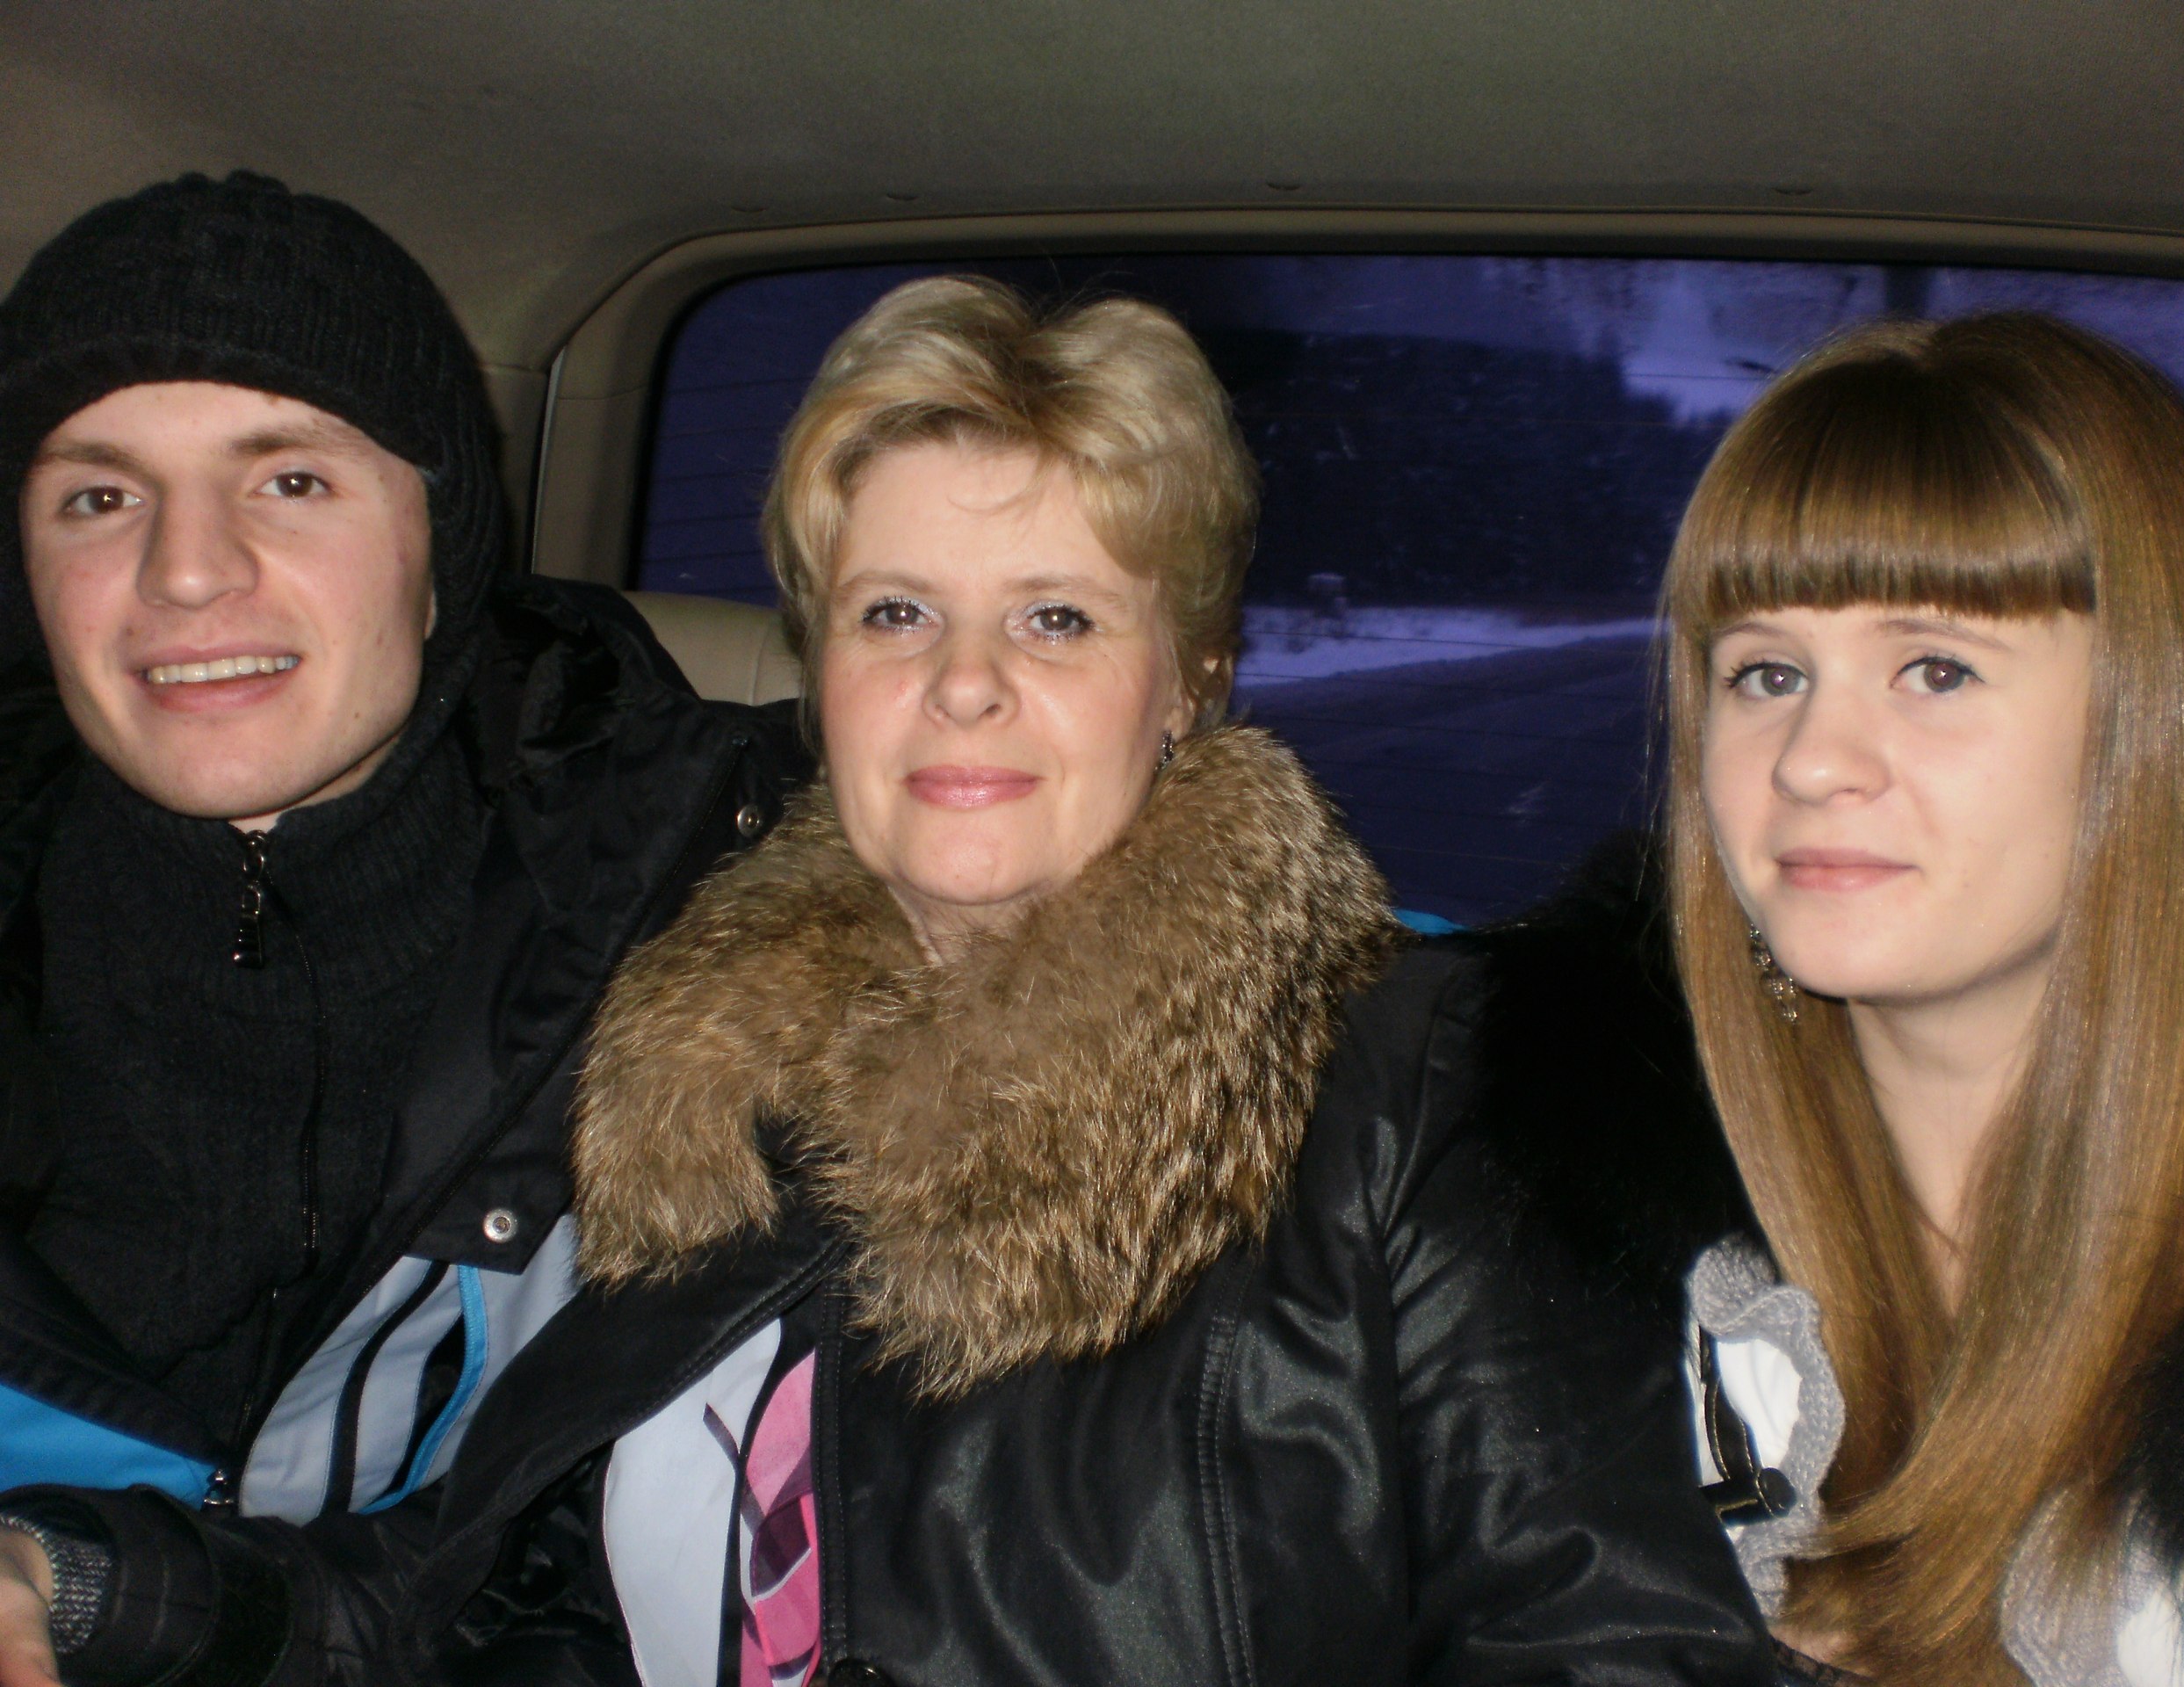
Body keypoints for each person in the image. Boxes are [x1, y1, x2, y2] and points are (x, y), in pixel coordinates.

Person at [373, 275, 1772, 1686]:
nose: (963, 682)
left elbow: (1621, 1648)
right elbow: (548, 1588)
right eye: (895, 613)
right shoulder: (698, 1081)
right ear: (819, 675)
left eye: (1055, 620)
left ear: (1188, 681)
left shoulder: (1432, 1093)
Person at [0, 172, 806, 1686]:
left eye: (291, 479)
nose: (186, 569)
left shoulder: (719, 914)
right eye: (98, 497)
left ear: (442, 539)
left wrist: (101, 1594)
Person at [1488, 312, 2184, 1685]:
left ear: (2149, 718)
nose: (1812, 760)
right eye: (1767, 674)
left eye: (1936, 669)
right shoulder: (1558, 1256)